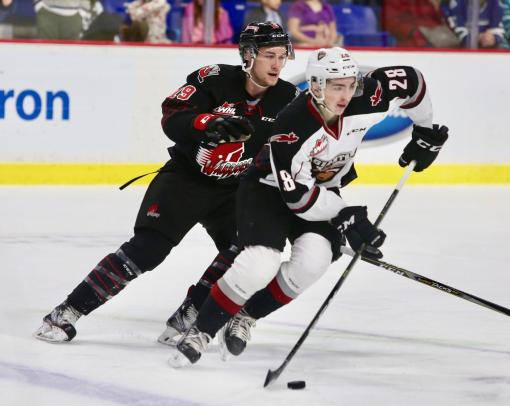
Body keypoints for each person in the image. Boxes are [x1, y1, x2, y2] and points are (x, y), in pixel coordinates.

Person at [168, 47, 450, 367]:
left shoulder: (369, 97)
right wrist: (345, 216)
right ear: (315, 86)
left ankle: (246, 316)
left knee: (314, 261)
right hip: (267, 191)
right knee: (261, 263)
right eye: (335, 86)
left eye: (349, 84)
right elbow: (298, 199)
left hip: (322, 191)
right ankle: (200, 332)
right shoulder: (293, 125)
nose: (345, 95)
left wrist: (425, 130)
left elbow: (413, 82)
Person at [33, 22, 299, 344]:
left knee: (249, 251)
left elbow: (303, 145)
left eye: (282, 56)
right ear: (247, 55)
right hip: (186, 181)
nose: (277, 64)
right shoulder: (213, 78)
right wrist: (206, 122)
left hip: (236, 191)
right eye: (269, 55)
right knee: (148, 249)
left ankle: (189, 316)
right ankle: (67, 312)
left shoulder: (288, 98)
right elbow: (172, 115)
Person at [384, 0, 459, 48]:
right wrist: (415, 32)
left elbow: (435, 19)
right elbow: (392, 21)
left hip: (434, 39)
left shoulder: (425, 2)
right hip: (411, 44)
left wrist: (438, 7)